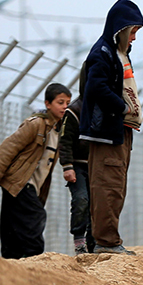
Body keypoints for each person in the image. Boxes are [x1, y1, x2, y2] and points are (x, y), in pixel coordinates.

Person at [79, 0, 143, 255]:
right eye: (133, 32)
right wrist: (121, 107)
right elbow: (95, 87)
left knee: (115, 186)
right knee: (108, 186)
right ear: (121, 29)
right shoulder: (103, 53)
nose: (135, 38)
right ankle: (106, 243)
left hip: (118, 130)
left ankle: (104, 240)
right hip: (106, 131)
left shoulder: (118, 53)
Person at [0, 84, 68, 259]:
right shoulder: (35, 124)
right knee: (35, 216)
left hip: (31, 185)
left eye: (67, 102)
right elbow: (8, 148)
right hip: (20, 182)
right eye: (60, 102)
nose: (64, 106)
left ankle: (12, 262)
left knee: (12, 225)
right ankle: (35, 259)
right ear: (48, 104)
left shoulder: (58, 130)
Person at [58, 94, 95, 254]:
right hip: (78, 165)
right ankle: (79, 240)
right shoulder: (74, 111)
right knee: (81, 199)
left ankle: (94, 243)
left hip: (97, 166)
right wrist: (67, 166)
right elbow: (64, 140)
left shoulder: (108, 108)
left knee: (97, 205)